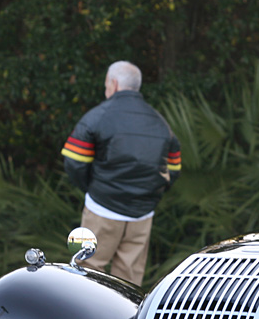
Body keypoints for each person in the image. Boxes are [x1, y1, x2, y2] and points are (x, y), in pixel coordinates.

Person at [61, 60, 181, 285]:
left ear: (114, 84)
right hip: (142, 216)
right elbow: (173, 169)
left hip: (102, 211)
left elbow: (74, 161)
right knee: (128, 284)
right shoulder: (160, 123)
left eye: (106, 85)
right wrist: (149, 195)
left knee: (87, 275)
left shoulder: (98, 117)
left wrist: (93, 190)